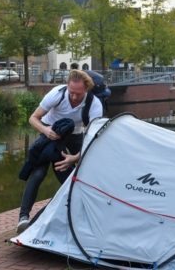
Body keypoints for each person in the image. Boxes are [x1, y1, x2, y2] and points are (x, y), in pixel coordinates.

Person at [17, 70, 103, 233]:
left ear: (87, 89)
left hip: (75, 134)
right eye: (72, 92)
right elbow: (33, 118)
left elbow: (94, 139)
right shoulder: (56, 94)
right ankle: (23, 218)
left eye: (79, 94)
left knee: (89, 165)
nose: (74, 97)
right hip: (50, 132)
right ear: (67, 86)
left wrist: (75, 157)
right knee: (39, 172)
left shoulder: (94, 104)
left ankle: (89, 212)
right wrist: (45, 130)